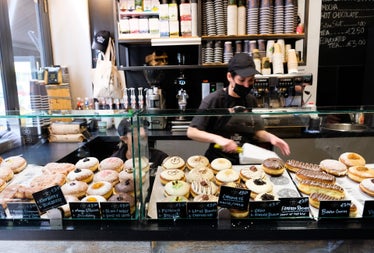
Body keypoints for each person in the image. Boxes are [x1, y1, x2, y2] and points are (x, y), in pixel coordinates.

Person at [187, 53, 291, 164]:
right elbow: (192, 132)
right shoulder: (214, 100)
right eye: (241, 80)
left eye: (250, 80)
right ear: (229, 77)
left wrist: (270, 138)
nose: (246, 86)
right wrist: (218, 139)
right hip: (219, 161)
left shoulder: (251, 100)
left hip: (247, 160)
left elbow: (257, 131)